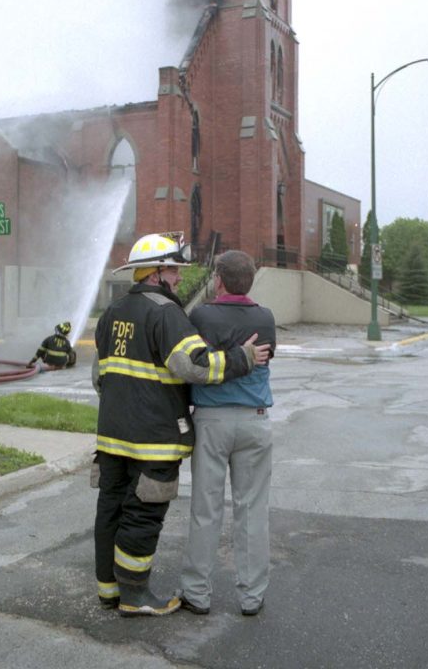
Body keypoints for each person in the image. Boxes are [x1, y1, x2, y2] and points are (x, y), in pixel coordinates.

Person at [92, 233, 270, 618]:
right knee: (142, 514)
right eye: (173, 269)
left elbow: (99, 377)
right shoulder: (166, 313)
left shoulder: (112, 312)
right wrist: (242, 357)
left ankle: (109, 590)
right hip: (152, 440)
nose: (178, 277)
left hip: (112, 437)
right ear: (155, 272)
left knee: (111, 509)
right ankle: (135, 596)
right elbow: (195, 366)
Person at [179, 250, 276, 616]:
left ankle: (197, 593)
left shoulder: (202, 316)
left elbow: (196, 362)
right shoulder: (265, 317)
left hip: (212, 421)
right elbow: (264, 356)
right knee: (252, 510)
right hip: (254, 420)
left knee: (205, 508)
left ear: (218, 280)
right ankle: (252, 596)